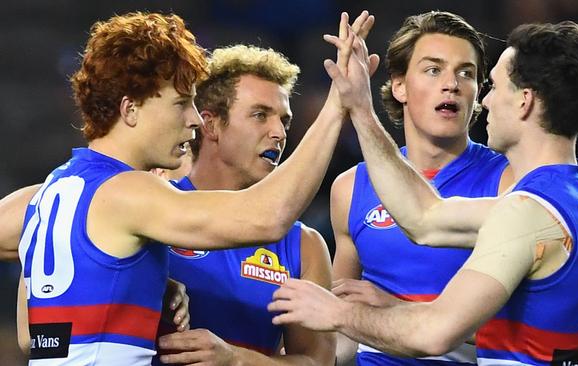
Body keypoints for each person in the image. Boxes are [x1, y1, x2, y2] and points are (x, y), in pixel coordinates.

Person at [0, 10, 361, 365]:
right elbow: (268, 217)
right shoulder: (131, 193)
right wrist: (336, 107)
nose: (193, 119)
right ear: (130, 109)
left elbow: (31, 336)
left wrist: (139, 281)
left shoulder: (51, 192)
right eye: (180, 103)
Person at [270, 20, 578, 366]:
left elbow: (434, 334)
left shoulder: (526, 211)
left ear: (524, 101)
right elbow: (426, 218)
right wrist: (359, 107)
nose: (487, 100)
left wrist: (337, 313)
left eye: (491, 85)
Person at [330, 11, 511, 365]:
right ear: (399, 86)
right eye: (433, 69)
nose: (452, 84)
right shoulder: (350, 188)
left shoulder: (509, 182)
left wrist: (397, 311)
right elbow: (339, 329)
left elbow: (525, 326)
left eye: (466, 73)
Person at [152, 44, 335, 365]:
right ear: (209, 125)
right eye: (260, 115)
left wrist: (237, 359)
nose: (278, 133)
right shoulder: (151, 211)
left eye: (285, 121)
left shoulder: (303, 245)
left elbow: (317, 362)